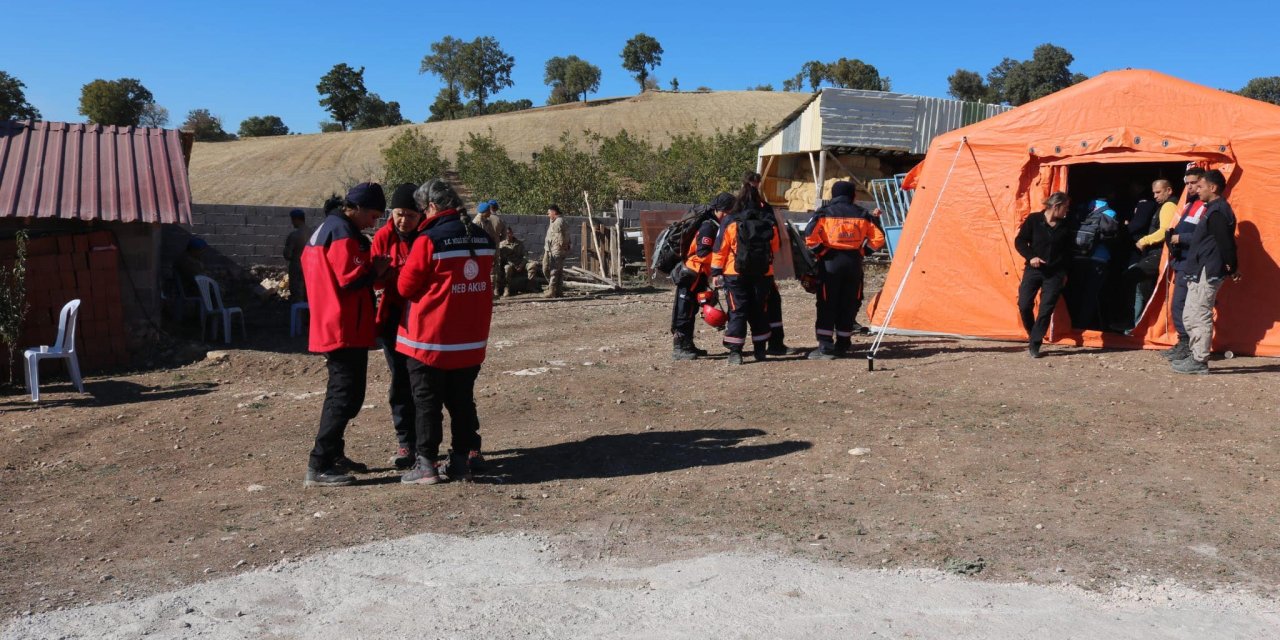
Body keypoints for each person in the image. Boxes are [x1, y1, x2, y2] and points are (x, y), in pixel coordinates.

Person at [396, 179, 496, 484]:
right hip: (469, 339)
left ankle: (425, 463)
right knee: (462, 401)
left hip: (429, 339)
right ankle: (461, 460)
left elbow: (405, 287)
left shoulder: (428, 240)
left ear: (432, 207)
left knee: (426, 402)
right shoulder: (482, 238)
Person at [301, 183, 391, 487]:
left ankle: (334, 455)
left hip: (334, 323)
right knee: (343, 397)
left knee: (346, 395)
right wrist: (376, 269)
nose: (373, 223)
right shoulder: (342, 233)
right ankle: (320, 464)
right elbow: (349, 280)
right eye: (373, 216)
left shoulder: (328, 227)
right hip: (343, 326)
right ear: (359, 209)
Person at [372, 184, 424, 469]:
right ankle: (406, 443)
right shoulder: (383, 237)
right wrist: (385, 275)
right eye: (398, 214)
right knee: (401, 381)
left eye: (410, 216)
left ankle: (427, 442)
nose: (403, 221)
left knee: (424, 382)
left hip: (422, 319)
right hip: (392, 319)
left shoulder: (427, 238)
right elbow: (376, 281)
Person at [803, 180, 886, 359]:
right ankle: (843, 343)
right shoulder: (863, 214)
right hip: (853, 262)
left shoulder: (824, 213)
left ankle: (825, 346)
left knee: (827, 302)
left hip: (830, 263)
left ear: (833, 194)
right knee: (848, 302)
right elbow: (879, 238)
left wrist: (823, 251)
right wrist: (863, 251)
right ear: (852, 195)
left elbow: (809, 236)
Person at [1173, 169, 1238, 374]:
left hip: (1207, 270)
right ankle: (1195, 355)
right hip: (1199, 269)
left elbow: (1226, 243)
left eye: (1200, 186)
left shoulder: (1218, 211)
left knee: (1199, 314)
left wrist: (1232, 267)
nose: (1196, 190)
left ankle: (1199, 360)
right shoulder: (1212, 209)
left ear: (1213, 188)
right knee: (1191, 314)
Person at [711, 182, 781, 365]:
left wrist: (716, 272)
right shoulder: (768, 220)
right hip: (763, 272)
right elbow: (776, 247)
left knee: (738, 311)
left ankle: (736, 352)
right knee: (760, 310)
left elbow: (720, 249)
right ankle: (760, 350)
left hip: (735, 273)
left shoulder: (730, 221)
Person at [672, 192, 732, 360]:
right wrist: (722, 262)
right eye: (730, 211)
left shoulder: (715, 225)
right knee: (684, 309)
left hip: (699, 274)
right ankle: (679, 348)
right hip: (692, 273)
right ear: (722, 210)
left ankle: (688, 345)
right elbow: (703, 252)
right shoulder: (709, 226)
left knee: (691, 309)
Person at [744, 171, 799, 355]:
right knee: (770, 303)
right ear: (757, 183)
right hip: (761, 267)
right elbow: (774, 240)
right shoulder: (763, 209)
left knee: (744, 308)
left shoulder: (735, 209)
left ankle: (737, 349)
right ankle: (773, 344)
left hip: (737, 269)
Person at [1015, 192, 1075, 358]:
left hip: (1055, 273)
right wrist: (1031, 256)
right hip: (1034, 270)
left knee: (1045, 308)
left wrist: (1065, 273)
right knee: (1024, 304)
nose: (1067, 211)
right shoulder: (1034, 220)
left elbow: (1069, 252)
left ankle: (1035, 343)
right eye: (1065, 207)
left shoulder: (1066, 225)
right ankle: (1032, 332)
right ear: (1056, 207)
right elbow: (1020, 241)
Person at [1162, 167, 1207, 361]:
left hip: (1195, 263)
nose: (1189, 186)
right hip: (1182, 262)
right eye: (1186, 183)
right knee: (1178, 305)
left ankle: (1190, 347)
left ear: (1202, 183)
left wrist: (1181, 238)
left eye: (1193, 183)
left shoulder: (1207, 206)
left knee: (1189, 307)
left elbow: (1205, 235)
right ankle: (1183, 341)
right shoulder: (1189, 204)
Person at [1126, 180, 1180, 325]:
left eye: (1158, 192)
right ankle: (1137, 323)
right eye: (1153, 193)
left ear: (1169, 190)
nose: (1155, 196)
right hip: (1155, 254)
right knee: (1142, 285)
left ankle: (1143, 322)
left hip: (1159, 253)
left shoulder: (1169, 205)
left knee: (1134, 277)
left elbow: (1164, 232)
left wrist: (1144, 241)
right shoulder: (1163, 206)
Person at [474, 200, 508, 296]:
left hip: (488, 250)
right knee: (490, 271)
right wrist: (496, 241)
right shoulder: (477, 222)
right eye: (488, 211)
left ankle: (491, 292)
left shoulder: (486, 221)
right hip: (483, 251)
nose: (490, 213)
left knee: (492, 270)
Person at [543, 205, 571, 298]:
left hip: (556, 250)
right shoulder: (556, 221)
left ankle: (552, 290)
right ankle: (558, 291)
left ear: (554, 212)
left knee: (554, 270)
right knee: (555, 270)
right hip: (552, 249)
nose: (548, 215)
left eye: (549, 212)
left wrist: (561, 248)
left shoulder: (558, 222)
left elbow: (560, 238)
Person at [499, 227, 536, 295]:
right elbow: (504, 259)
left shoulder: (519, 243)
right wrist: (513, 265)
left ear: (512, 233)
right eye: (506, 234)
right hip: (510, 264)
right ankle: (507, 288)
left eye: (509, 233)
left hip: (520, 263)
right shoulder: (502, 245)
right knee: (507, 268)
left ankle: (530, 286)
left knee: (532, 265)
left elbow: (525, 256)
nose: (508, 235)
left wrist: (521, 265)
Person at [283, 209, 309, 302]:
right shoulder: (312, 232)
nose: (292, 222)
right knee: (308, 294)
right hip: (310, 268)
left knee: (297, 295)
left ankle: (298, 315)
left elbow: (287, 255)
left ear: (297, 219)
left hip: (297, 268)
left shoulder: (294, 235)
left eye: (293, 220)